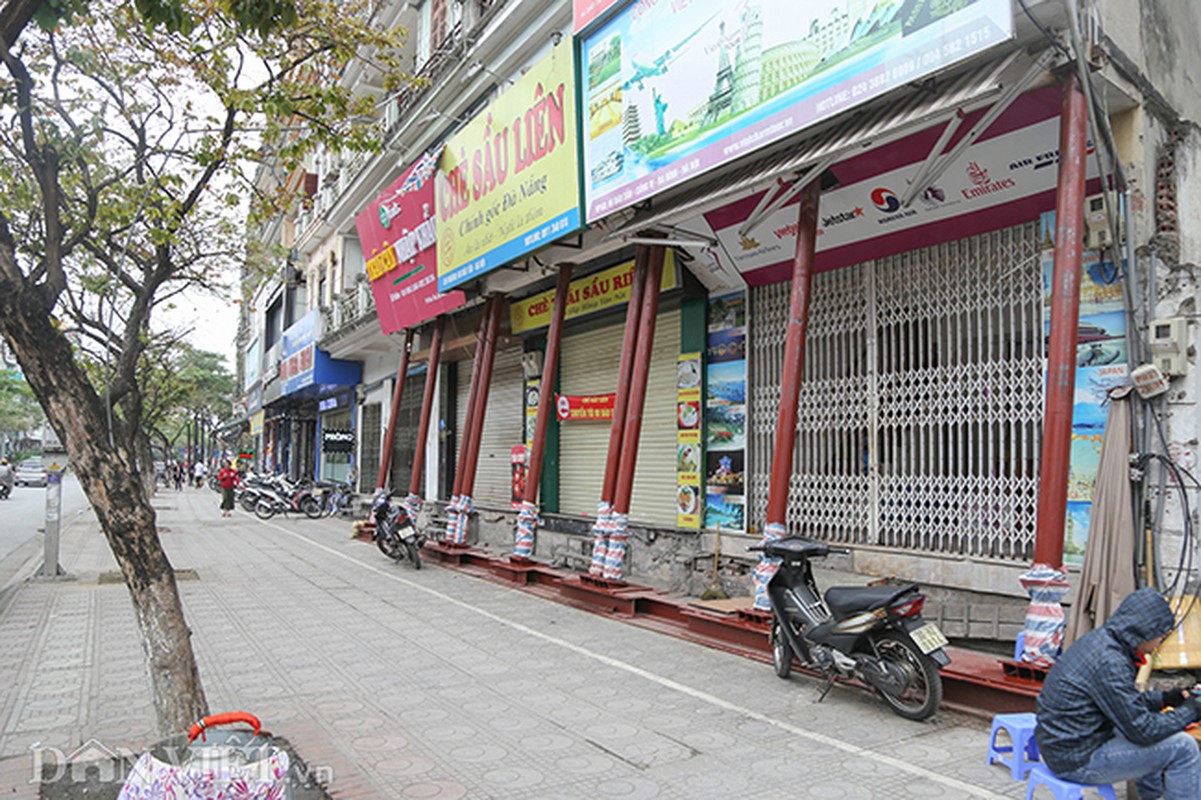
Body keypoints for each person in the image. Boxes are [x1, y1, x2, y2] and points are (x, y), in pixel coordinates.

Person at [1036, 587, 1201, 799]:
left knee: (1152, 731)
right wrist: (1191, 711)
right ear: (1145, 631)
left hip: (1063, 745)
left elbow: (1122, 703)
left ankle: (1150, 796)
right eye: (1160, 636)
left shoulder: (1103, 642)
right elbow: (1143, 730)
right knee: (1183, 747)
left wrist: (1165, 699)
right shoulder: (1110, 662)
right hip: (1077, 761)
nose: (1159, 644)